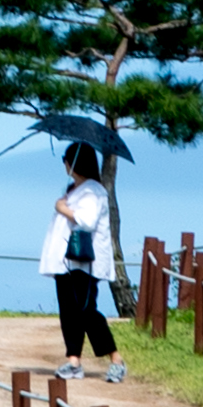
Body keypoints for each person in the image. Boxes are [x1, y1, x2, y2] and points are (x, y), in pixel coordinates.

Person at [43, 143, 125, 369]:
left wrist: (62, 208)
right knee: (68, 311)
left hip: (85, 262)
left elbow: (86, 221)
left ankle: (115, 358)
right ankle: (73, 359)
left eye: (65, 159)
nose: (64, 164)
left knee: (87, 311)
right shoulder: (73, 189)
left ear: (73, 163)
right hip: (67, 261)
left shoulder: (93, 191)